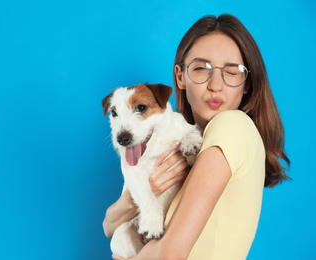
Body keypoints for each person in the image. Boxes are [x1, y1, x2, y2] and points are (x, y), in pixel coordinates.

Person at [103, 14, 290, 260]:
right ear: (180, 76)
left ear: (246, 82)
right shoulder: (194, 137)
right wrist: (133, 199)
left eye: (232, 71)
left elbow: (169, 253)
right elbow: (108, 227)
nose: (215, 84)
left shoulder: (231, 124)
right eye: (201, 68)